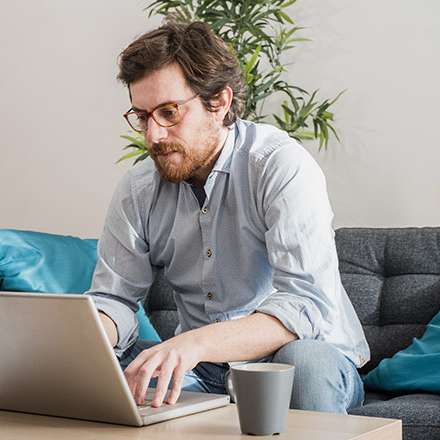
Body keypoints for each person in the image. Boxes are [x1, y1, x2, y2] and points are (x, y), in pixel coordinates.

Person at [85, 21, 369, 414]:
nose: (152, 136)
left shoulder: (279, 165)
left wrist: (194, 343)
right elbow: (113, 297)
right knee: (104, 371)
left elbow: (304, 305)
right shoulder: (139, 189)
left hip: (296, 358)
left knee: (305, 362)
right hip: (203, 369)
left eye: (168, 112)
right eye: (142, 116)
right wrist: (85, 338)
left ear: (218, 102)